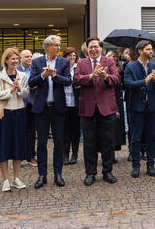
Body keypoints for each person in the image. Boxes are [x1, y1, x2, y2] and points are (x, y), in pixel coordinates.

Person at [73, 37, 121, 186]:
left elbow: (117, 79)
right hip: (88, 109)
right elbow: (75, 80)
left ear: (101, 48)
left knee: (107, 142)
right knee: (89, 143)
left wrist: (105, 76)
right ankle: (90, 173)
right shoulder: (81, 63)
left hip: (106, 108)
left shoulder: (109, 61)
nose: (93, 49)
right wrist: (91, 76)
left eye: (96, 47)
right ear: (87, 49)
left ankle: (107, 171)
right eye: (90, 47)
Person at [29, 35, 71, 189]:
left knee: (59, 142)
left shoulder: (64, 62)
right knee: (41, 143)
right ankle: (42, 175)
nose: (59, 48)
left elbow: (68, 81)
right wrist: (43, 75)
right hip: (41, 108)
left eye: (59, 45)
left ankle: (58, 174)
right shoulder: (37, 62)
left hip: (58, 108)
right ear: (47, 47)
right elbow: (31, 82)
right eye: (55, 45)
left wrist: (54, 76)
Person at [0, 48, 30, 192]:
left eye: (16, 58)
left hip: (19, 113)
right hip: (4, 114)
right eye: (12, 58)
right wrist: (10, 90)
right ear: (6, 60)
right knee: (4, 147)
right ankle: (5, 180)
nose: (15, 61)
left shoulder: (23, 75)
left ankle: (16, 178)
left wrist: (19, 89)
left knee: (17, 146)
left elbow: (26, 94)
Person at [124, 40, 155, 178]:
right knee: (135, 137)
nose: (151, 51)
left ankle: (150, 164)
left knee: (151, 137)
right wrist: (144, 81)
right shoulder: (131, 67)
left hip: (152, 107)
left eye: (151, 49)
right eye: (148, 49)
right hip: (136, 107)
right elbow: (128, 84)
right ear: (140, 51)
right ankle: (136, 165)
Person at [61, 47, 81, 165]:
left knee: (75, 131)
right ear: (65, 57)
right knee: (65, 131)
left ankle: (74, 153)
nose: (72, 58)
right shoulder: (61, 67)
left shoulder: (79, 67)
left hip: (76, 103)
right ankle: (65, 155)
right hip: (64, 102)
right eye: (69, 56)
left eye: (74, 56)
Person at [17, 50, 37, 167]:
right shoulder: (15, 69)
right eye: (26, 57)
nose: (29, 59)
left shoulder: (34, 69)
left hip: (32, 104)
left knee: (31, 131)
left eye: (30, 57)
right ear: (20, 58)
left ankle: (31, 155)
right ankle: (18, 156)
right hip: (18, 104)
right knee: (19, 131)